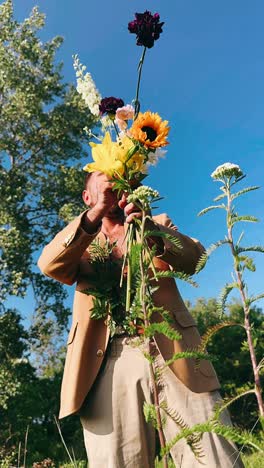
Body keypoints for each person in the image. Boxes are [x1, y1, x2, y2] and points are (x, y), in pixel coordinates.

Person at [38, 172, 244, 467]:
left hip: (175, 350)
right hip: (107, 361)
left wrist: (151, 230)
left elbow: (195, 259)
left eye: (121, 178)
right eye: (104, 177)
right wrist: (95, 214)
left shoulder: (158, 224)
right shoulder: (79, 240)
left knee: (214, 455)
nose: (114, 182)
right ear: (86, 197)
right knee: (119, 459)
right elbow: (49, 264)